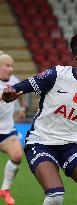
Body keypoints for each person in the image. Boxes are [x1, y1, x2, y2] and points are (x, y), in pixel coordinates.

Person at [1, 30, 77, 205]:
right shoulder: (57, 75)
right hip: (41, 143)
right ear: (76, 59)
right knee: (56, 195)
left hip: (74, 147)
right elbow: (23, 86)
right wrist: (11, 92)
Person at [0, 51, 26, 205]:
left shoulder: (14, 80)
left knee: (17, 156)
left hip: (7, 130)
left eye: (12, 66)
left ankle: (5, 189)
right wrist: (4, 96)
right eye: (7, 66)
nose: (10, 69)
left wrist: (22, 108)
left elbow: (20, 92)